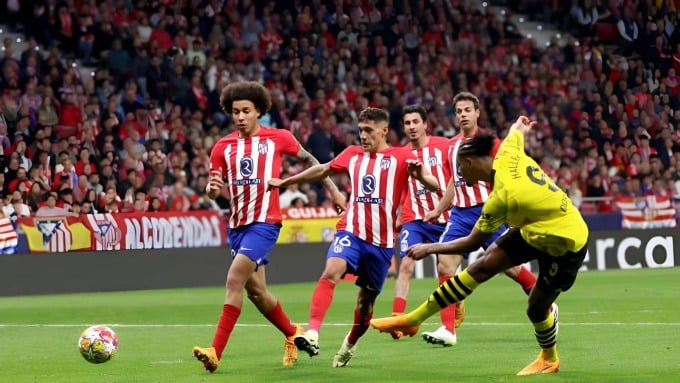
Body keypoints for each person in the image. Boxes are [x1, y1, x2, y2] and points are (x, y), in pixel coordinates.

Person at [370, 116, 589, 376]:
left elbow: (472, 241)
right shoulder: (508, 152)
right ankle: (413, 320)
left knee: (535, 308)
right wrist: (522, 124)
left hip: (565, 242)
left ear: (470, 162)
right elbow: (515, 132)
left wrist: (430, 248)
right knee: (482, 266)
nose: (460, 176)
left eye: (460, 169)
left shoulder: (503, 197)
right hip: (533, 229)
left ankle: (549, 358)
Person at [192, 81, 346, 373]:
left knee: (233, 280)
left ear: (258, 111)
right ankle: (292, 333)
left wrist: (333, 191)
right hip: (237, 226)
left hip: (265, 224)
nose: (240, 116)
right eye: (235, 111)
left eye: (246, 111)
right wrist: (212, 189)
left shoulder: (278, 138)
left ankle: (215, 352)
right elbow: (213, 190)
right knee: (257, 293)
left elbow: (312, 161)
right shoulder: (222, 147)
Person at [268, 107, 440, 367]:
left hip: (381, 245)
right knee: (331, 270)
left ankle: (350, 343)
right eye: (360, 130)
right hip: (352, 231)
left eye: (368, 130)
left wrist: (420, 176)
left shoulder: (402, 157)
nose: (362, 135)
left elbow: (434, 183)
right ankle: (313, 332)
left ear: (384, 131)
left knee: (365, 305)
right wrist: (286, 182)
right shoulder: (352, 155)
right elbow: (323, 170)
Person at [415, 92, 538, 346]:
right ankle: (448, 330)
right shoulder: (450, 147)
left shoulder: (489, 141)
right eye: (458, 111)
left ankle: (547, 304)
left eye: (467, 110)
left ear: (477, 112)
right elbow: (453, 181)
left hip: (488, 211)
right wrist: (439, 209)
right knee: (445, 266)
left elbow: (506, 166)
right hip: (460, 214)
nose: (462, 115)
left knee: (510, 267)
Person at [388, 104, 455, 340]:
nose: (412, 127)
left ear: (425, 124)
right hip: (413, 219)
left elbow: (455, 179)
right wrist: (397, 216)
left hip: (445, 218)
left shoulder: (444, 147)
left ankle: (451, 317)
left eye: (416, 122)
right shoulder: (400, 155)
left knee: (445, 269)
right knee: (406, 265)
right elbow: (399, 189)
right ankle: (397, 319)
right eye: (407, 123)